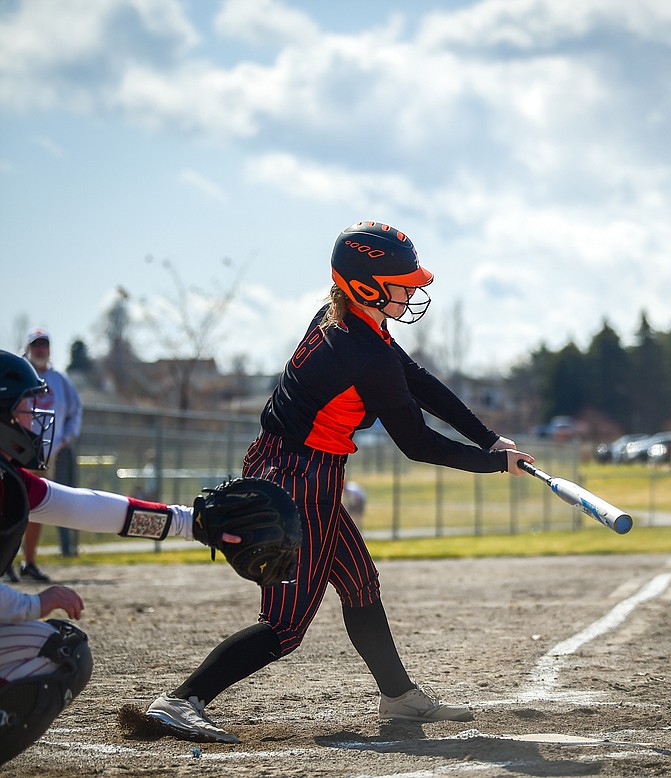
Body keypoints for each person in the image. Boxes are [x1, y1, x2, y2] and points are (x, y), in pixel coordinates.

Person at [144, 220, 535, 745]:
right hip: (297, 478)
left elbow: (417, 383)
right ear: (367, 285)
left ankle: (398, 696)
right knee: (286, 626)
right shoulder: (363, 352)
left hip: (301, 470)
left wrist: (489, 440)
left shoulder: (353, 325)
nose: (413, 288)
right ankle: (180, 701)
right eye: (403, 280)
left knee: (359, 583)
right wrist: (493, 465)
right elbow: (417, 443)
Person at [0, 350, 240, 765]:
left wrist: (191, 522)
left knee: (57, 646)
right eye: (25, 406)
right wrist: (35, 603)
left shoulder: (10, 482)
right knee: (61, 651)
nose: (36, 416)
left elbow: (92, 508)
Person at [4, 328, 85, 584]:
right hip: (10, 448)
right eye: (36, 345)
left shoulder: (59, 380)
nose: (40, 349)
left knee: (35, 506)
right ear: (28, 348)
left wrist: (63, 440)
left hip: (45, 451)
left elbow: (76, 410)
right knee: (8, 503)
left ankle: (29, 562)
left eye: (44, 345)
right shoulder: (14, 373)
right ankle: (5, 560)